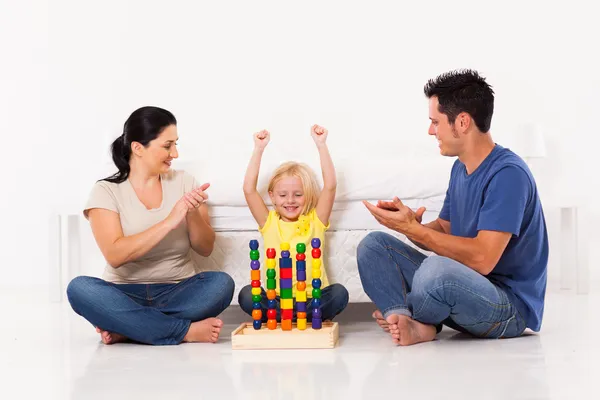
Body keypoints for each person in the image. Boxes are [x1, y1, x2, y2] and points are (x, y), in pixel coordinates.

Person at [358, 69, 548, 345]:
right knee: (373, 245)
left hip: (507, 307)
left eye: (435, 122)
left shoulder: (509, 174)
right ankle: (404, 319)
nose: (431, 130)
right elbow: (446, 228)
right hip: (464, 287)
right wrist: (410, 226)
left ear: (462, 122)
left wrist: (418, 232)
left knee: (435, 272)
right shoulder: (461, 168)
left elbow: (483, 259)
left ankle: (421, 321)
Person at [66, 106, 235, 345]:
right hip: (123, 293)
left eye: (176, 144)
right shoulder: (106, 191)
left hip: (177, 290)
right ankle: (182, 331)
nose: (174, 153)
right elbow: (115, 255)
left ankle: (129, 328)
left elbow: (205, 248)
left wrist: (193, 211)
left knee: (221, 284)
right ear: (138, 148)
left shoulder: (185, 182)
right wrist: (170, 221)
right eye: (167, 145)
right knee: (80, 289)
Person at [238, 125, 349, 322]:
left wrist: (321, 145)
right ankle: (292, 317)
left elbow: (330, 186)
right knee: (247, 295)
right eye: (283, 195)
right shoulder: (269, 222)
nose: (290, 200)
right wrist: (258, 149)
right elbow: (248, 190)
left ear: (309, 196)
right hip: (277, 300)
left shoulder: (316, 221)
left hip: (311, 300)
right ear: (272, 196)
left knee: (339, 293)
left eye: (298, 195)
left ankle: (296, 316)